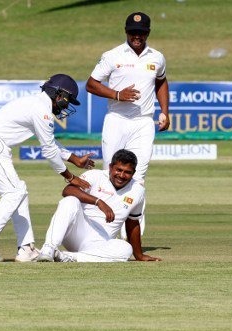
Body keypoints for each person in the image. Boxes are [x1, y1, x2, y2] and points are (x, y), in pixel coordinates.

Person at [0, 74, 95, 262]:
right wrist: (70, 176)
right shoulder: (42, 111)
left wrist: (74, 159)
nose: (66, 107)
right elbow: (48, 150)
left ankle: (26, 249)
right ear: (59, 95)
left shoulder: (36, 105)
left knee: (19, 191)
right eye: (67, 102)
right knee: (13, 194)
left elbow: (50, 142)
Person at [85, 12, 170, 239]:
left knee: (138, 177)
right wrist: (117, 94)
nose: (137, 36)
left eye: (141, 33)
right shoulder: (112, 55)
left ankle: (133, 237)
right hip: (117, 120)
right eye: (133, 32)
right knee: (110, 173)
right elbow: (91, 84)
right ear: (126, 32)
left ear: (148, 33)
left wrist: (165, 111)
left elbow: (161, 81)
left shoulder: (157, 57)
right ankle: (103, 231)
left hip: (143, 122)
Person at [37, 149, 161, 262]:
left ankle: (66, 257)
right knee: (70, 201)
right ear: (111, 167)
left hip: (101, 242)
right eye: (118, 170)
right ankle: (49, 249)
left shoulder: (138, 190)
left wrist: (139, 255)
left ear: (133, 173)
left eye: (127, 172)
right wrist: (98, 202)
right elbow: (68, 191)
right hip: (76, 233)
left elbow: (132, 223)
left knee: (126, 249)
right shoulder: (95, 175)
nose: (122, 175)